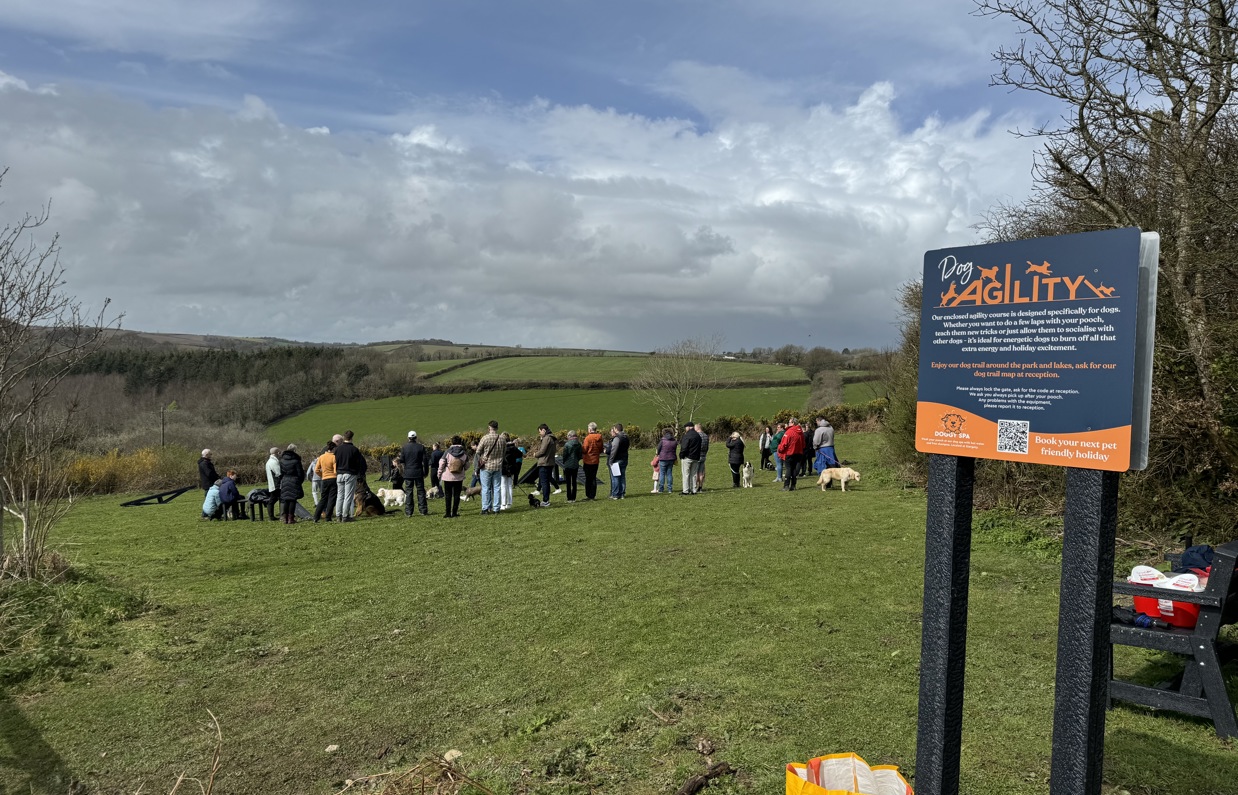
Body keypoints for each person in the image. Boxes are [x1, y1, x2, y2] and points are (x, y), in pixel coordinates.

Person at [475, 420, 505, 515]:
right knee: (497, 488)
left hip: (486, 466)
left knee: (486, 488)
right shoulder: (502, 439)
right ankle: (496, 508)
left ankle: (485, 508)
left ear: (489, 428)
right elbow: (504, 453)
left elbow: (478, 451)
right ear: (497, 428)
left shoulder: (485, 438)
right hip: (498, 466)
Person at [438, 436, 469, 518]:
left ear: (452, 442)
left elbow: (441, 463)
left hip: (448, 476)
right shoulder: (464, 453)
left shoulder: (447, 452)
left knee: (448, 495)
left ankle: (448, 513)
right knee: (456, 495)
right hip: (459, 477)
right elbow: (467, 465)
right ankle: (454, 512)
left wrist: (439, 473)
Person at [333, 431, 362, 522]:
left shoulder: (337, 449)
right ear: (352, 438)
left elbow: (335, 461)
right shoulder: (354, 449)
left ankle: (338, 515)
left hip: (339, 474)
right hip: (350, 473)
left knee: (340, 496)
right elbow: (358, 463)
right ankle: (345, 516)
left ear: (343, 438)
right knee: (348, 496)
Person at [400, 431, 430, 516]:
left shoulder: (404, 448)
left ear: (408, 438)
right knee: (421, 492)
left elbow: (401, 460)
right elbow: (425, 461)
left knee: (409, 492)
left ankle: (409, 512)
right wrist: (426, 472)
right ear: (416, 437)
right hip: (418, 472)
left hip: (408, 473)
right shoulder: (421, 447)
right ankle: (423, 510)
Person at [530, 423, 557, 507]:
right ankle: (546, 500)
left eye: (540, 431)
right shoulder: (553, 438)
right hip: (550, 462)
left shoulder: (546, 438)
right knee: (547, 481)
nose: (539, 433)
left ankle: (545, 501)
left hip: (544, 463)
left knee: (544, 482)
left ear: (544, 430)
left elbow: (542, 451)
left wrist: (535, 454)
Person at [279, 444, 305, 523]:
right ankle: (291, 518)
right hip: (294, 480)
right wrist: (299, 481)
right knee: (292, 500)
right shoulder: (296, 460)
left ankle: (285, 518)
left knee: (286, 500)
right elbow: (300, 473)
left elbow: (280, 472)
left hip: (285, 479)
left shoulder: (282, 460)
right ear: (294, 450)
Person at [777, 419, 807, 491]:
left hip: (790, 453)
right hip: (798, 453)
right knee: (794, 469)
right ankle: (793, 485)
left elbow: (784, 444)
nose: (788, 423)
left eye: (789, 422)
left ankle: (786, 485)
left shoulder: (789, 432)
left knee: (788, 469)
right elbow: (803, 444)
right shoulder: (801, 433)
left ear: (793, 423)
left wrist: (779, 449)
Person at [313, 441, 337, 523]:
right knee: (331, 499)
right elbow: (335, 470)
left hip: (324, 479)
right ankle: (328, 517)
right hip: (333, 479)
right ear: (333, 449)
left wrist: (322, 475)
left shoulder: (321, 457)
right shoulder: (334, 457)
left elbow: (316, 470)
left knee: (323, 498)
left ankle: (316, 516)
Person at [581, 423, 604, 501]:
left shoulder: (588, 438)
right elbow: (601, 449)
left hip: (588, 460)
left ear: (590, 429)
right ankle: (593, 495)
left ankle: (589, 495)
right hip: (596, 460)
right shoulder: (599, 438)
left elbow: (584, 449)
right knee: (594, 478)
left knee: (588, 479)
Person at [678, 422, 702, 495]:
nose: (685, 429)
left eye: (686, 427)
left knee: (686, 474)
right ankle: (694, 490)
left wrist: (681, 455)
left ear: (688, 427)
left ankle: (685, 490)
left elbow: (684, 447)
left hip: (687, 457)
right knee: (693, 474)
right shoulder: (698, 436)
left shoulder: (687, 436)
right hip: (696, 457)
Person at [607, 423, 629, 499]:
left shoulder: (617, 438)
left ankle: (616, 494)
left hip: (616, 460)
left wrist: (610, 461)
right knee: (622, 477)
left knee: (616, 477)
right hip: (624, 459)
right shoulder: (626, 437)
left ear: (616, 429)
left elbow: (613, 450)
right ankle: (622, 493)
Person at [500, 436, 523, 510]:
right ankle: (509, 503)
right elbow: (520, 454)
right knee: (509, 485)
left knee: (503, 486)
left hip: (503, 468)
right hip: (512, 468)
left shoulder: (502, 448)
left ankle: (503, 504)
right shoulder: (514, 448)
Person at [560, 429, 582, 503]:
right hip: (575, 464)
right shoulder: (579, 444)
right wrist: (577, 460)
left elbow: (565, 455)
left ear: (569, 436)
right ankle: (574, 497)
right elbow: (580, 455)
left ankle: (569, 498)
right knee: (574, 482)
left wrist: (564, 461)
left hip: (568, 465)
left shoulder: (567, 444)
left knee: (568, 482)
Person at [655, 429, 677, 494]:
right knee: (669, 473)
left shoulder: (662, 440)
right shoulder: (674, 441)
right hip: (671, 458)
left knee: (662, 473)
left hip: (663, 458)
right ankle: (670, 489)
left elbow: (658, 449)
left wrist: (657, 454)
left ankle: (661, 489)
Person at [695, 422, 710, 492]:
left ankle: (694, 487)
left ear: (697, 428)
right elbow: (707, 447)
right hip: (703, 455)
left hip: (697, 455)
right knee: (701, 472)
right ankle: (700, 487)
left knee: (695, 472)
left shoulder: (697, 436)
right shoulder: (706, 436)